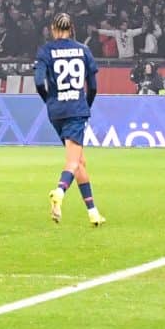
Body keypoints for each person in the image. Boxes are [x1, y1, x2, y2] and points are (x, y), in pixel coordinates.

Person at [32, 12, 101, 226]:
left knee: (80, 161)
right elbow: (93, 86)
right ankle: (59, 191)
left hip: (57, 111)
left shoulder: (45, 51)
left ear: (53, 29)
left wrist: (49, 101)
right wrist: (85, 106)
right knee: (73, 161)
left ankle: (93, 212)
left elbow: (38, 82)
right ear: (71, 29)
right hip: (76, 110)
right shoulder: (83, 50)